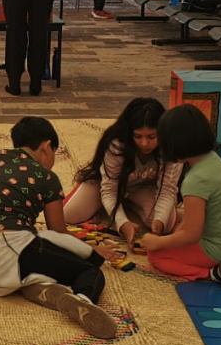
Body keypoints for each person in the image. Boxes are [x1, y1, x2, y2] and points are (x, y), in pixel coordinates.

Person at [0, 117, 123, 340]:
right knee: (89, 271)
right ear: (47, 146)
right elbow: (58, 230)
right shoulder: (47, 177)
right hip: (10, 249)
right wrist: (92, 251)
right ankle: (83, 301)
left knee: (42, 260)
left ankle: (38, 287)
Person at [140, 105, 221, 284]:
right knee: (176, 240)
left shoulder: (196, 180)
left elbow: (191, 234)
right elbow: (192, 221)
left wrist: (158, 243)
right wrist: (174, 236)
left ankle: (218, 273)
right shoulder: (214, 160)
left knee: (156, 257)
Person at [64, 98, 184, 243]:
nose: (145, 143)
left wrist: (158, 223)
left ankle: (128, 204)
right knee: (68, 215)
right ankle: (115, 206)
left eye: (152, 137)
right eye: (138, 136)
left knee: (166, 225)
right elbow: (109, 189)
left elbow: (167, 190)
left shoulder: (171, 147)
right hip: (109, 183)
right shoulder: (117, 145)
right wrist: (122, 224)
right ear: (129, 133)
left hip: (144, 189)